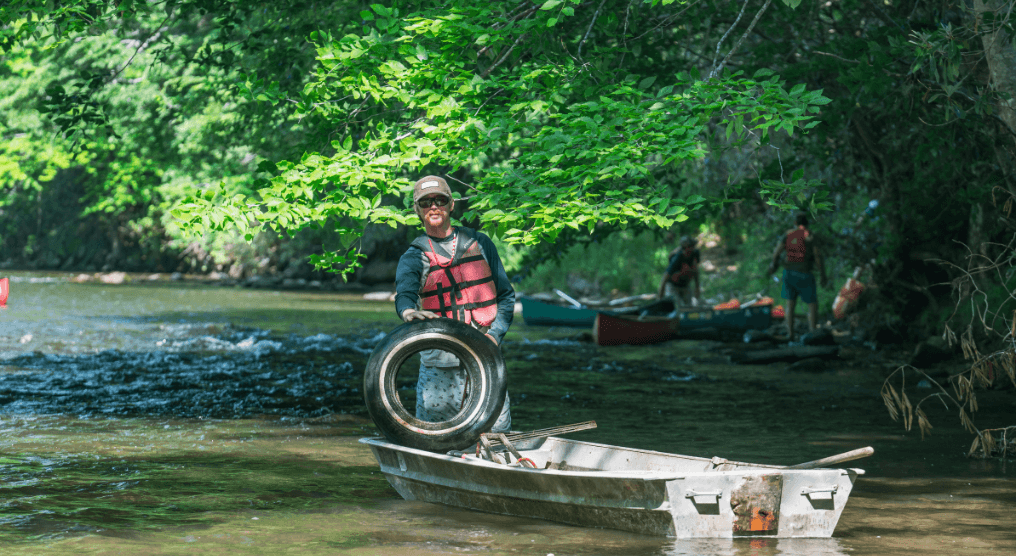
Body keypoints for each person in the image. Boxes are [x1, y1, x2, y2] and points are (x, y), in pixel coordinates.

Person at [394, 175, 516, 432]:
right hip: (439, 363)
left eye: (440, 200)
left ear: (451, 204)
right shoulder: (414, 257)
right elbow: (404, 295)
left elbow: (506, 296)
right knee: (437, 434)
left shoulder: (481, 244)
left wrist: (494, 336)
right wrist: (407, 312)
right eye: (425, 202)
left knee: (496, 431)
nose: (433, 206)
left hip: (485, 355)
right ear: (417, 210)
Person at [767, 213, 829, 342]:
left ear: (795, 223)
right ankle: (813, 333)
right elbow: (817, 256)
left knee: (790, 305)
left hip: (789, 273)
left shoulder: (788, 234)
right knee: (812, 305)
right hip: (805, 273)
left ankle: (790, 334)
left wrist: (773, 265)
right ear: (807, 223)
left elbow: (776, 252)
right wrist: (823, 274)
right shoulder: (810, 236)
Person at [657, 235, 701, 308]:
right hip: (672, 286)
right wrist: (660, 298)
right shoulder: (677, 258)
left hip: (685, 285)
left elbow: (695, 271)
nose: (692, 249)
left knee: (689, 307)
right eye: (690, 246)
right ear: (685, 248)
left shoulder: (695, 255)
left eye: (693, 246)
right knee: (677, 306)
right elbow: (664, 279)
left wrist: (697, 288)